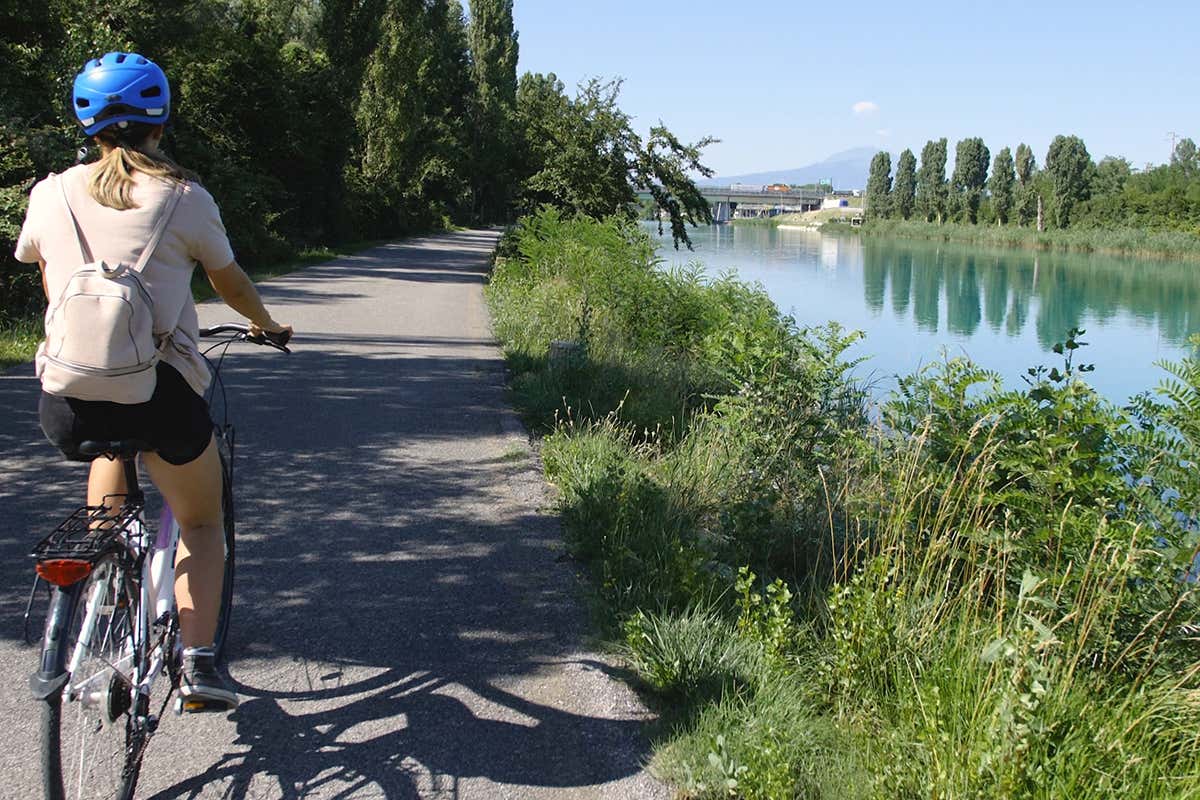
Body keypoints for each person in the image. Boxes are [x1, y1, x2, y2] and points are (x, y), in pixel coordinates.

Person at [13, 52, 292, 710]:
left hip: (69, 399)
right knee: (200, 520)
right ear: (158, 124)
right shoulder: (185, 198)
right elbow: (230, 281)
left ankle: (111, 580)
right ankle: (196, 666)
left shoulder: (49, 194)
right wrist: (267, 324)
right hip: (162, 395)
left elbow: (41, 266)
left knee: (110, 463)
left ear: (87, 126)